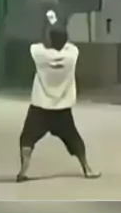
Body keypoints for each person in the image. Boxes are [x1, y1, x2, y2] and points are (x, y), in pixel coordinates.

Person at [17, 26, 100, 182]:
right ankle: (87, 168)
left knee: (26, 138)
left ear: (50, 40)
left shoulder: (39, 53)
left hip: (40, 106)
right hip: (62, 108)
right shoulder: (72, 54)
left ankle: (23, 170)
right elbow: (68, 44)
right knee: (74, 139)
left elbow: (38, 43)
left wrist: (47, 28)